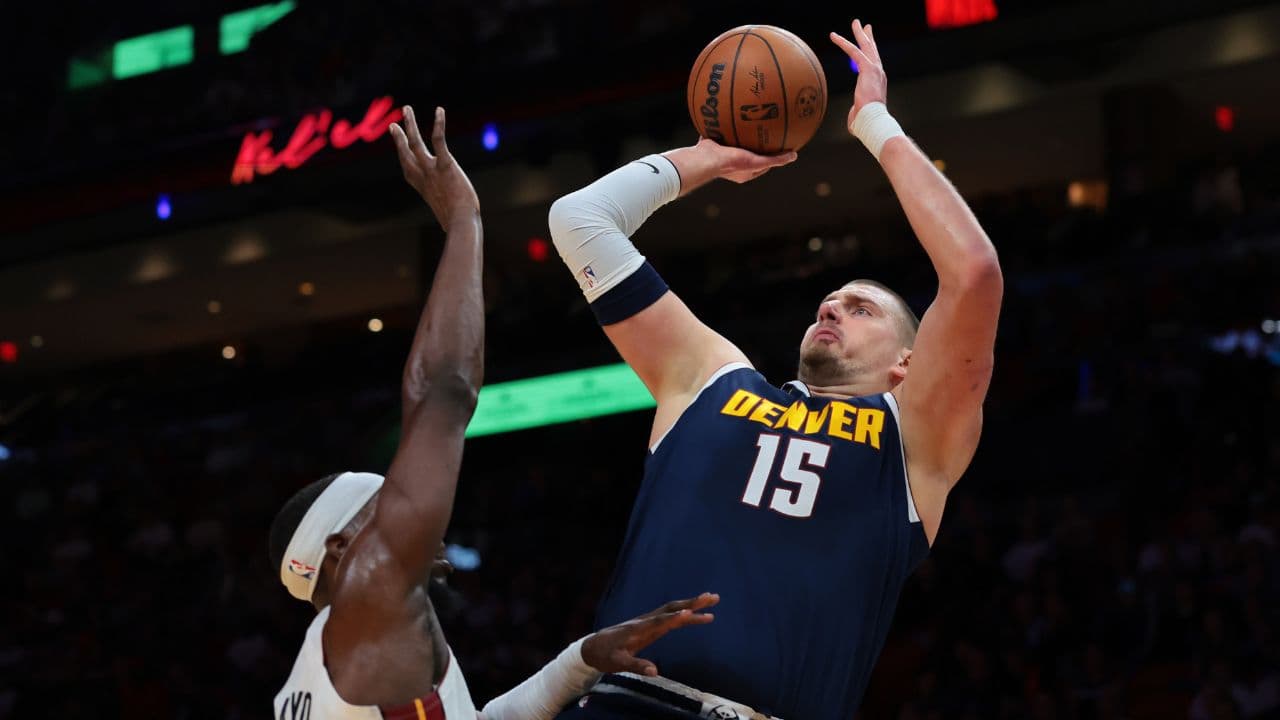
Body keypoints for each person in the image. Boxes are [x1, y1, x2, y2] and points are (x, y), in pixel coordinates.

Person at [547, 19, 1003, 720]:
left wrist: (874, 122)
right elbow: (579, 220)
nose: (832, 307)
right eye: (829, 301)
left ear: (908, 364)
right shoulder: (710, 378)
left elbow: (972, 273)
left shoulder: (915, 438)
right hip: (619, 706)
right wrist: (706, 158)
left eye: (861, 308)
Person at [269, 105, 719, 720]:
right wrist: (463, 221)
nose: (415, 506)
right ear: (343, 548)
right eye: (388, 503)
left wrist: (582, 659)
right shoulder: (368, 612)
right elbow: (443, 394)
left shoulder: (344, 655)